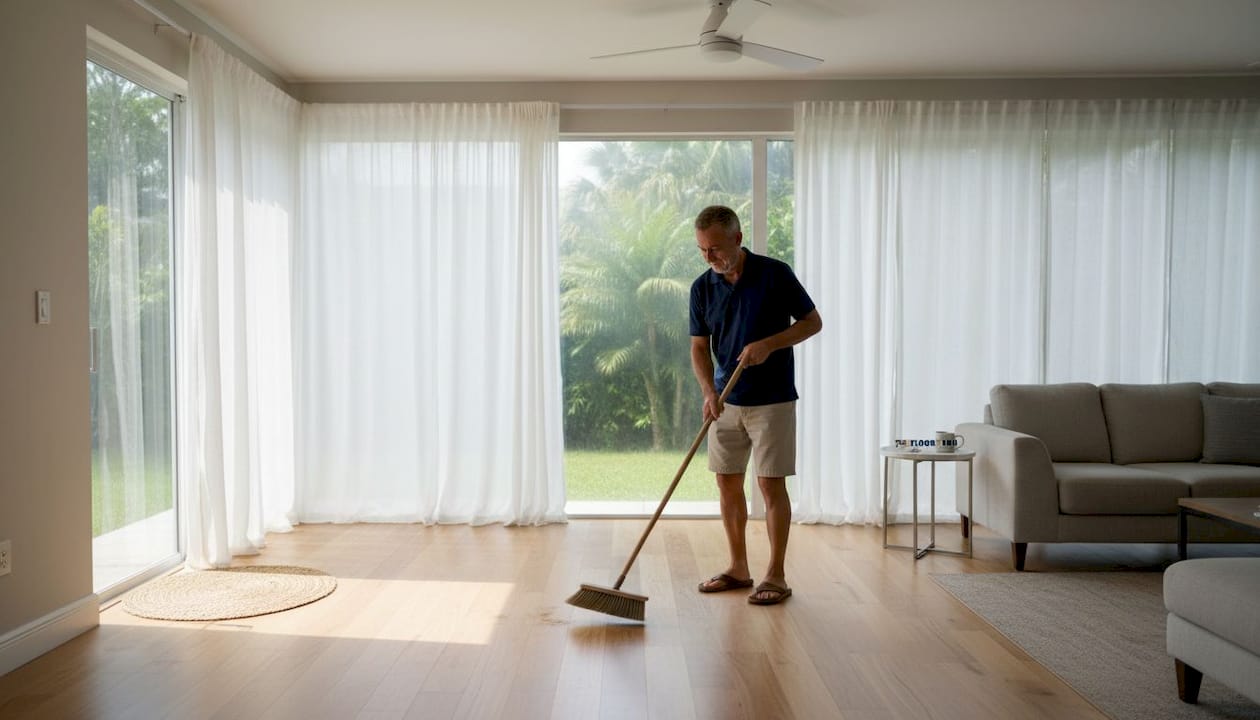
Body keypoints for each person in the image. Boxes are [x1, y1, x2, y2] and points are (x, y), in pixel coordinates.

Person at [689, 205, 822, 606]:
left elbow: (812, 322)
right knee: (726, 481)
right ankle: (738, 568)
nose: (708, 257)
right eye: (701, 249)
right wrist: (708, 393)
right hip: (725, 401)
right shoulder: (702, 288)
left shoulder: (775, 274)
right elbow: (698, 348)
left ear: (737, 238)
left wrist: (770, 343)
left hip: (772, 400)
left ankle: (776, 575)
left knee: (769, 482)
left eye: (714, 248)